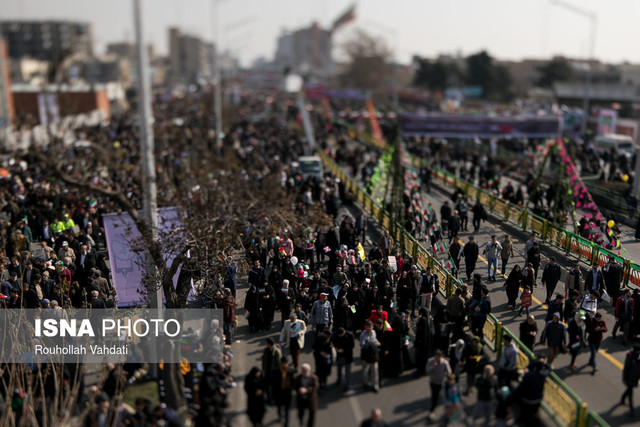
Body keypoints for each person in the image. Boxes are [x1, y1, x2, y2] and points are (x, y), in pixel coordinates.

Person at [512, 360, 547, 426]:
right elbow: (548, 369)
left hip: (527, 400)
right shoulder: (543, 376)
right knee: (532, 416)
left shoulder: (529, 375)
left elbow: (521, 388)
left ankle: (521, 420)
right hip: (537, 400)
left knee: (524, 412)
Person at [426, 349, 452, 421]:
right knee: (434, 396)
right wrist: (433, 366)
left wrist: (449, 377)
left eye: (439, 356)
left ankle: (447, 413)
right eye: (436, 356)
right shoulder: (430, 361)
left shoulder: (444, 362)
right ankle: (432, 411)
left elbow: (449, 371)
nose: (438, 358)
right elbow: (427, 370)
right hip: (433, 382)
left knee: (444, 397)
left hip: (441, 382)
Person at [273, 358, 296, 427]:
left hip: (287, 394)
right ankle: (280, 416)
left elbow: (293, 382)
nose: (284, 365)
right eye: (283, 363)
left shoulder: (290, 371)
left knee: (287, 410)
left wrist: (291, 388)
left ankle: (286, 423)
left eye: (285, 363)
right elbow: (273, 383)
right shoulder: (276, 371)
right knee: (279, 407)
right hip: (279, 393)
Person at [360, 320, 381, 392]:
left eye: (370, 327)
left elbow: (375, 340)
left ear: (372, 327)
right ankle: (365, 383)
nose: (369, 328)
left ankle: (375, 385)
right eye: (367, 327)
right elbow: (362, 345)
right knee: (365, 370)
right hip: (366, 354)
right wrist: (370, 345)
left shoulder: (374, 333)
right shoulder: (363, 335)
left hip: (373, 354)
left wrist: (376, 342)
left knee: (374, 371)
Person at [620, 344, 640, 416]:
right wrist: (624, 378)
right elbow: (626, 369)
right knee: (630, 393)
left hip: (635, 377)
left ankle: (622, 398)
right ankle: (631, 409)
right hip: (629, 378)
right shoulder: (630, 357)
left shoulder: (638, 357)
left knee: (629, 390)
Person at [414, 307, 435, 376]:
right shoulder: (429, 320)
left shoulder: (422, 320)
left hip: (421, 343)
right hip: (427, 343)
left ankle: (420, 370)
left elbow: (419, 332)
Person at [261, 338, 282, 404]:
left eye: (266, 343)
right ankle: (269, 399)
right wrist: (263, 370)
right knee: (267, 386)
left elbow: (279, 363)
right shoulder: (266, 350)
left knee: (274, 386)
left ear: (269, 344)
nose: (265, 344)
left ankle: (274, 398)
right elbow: (264, 361)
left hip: (274, 372)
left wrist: (278, 372)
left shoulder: (277, 352)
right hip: (267, 371)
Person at [334, 326, 355, 391]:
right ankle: (339, 379)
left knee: (347, 372)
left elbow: (352, 345)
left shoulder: (350, 336)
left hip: (347, 356)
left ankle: (347, 385)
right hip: (340, 355)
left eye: (341, 335)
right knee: (339, 369)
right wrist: (336, 347)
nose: (340, 336)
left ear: (344, 332)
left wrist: (344, 350)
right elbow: (334, 342)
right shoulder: (337, 335)